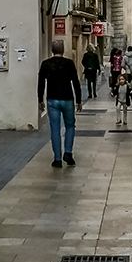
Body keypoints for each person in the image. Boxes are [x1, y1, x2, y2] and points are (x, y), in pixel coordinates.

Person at [38, 38, 82, 168]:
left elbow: (41, 83)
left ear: (52, 50)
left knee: (55, 129)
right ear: (63, 50)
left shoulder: (45, 64)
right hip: (67, 98)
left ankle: (57, 159)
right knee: (70, 126)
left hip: (52, 99)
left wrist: (40, 99)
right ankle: (68, 152)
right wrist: (79, 100)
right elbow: (75, 82)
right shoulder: (69, 63)